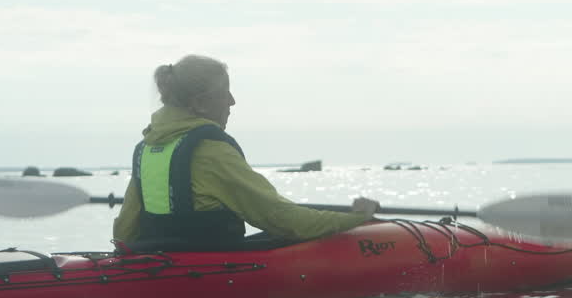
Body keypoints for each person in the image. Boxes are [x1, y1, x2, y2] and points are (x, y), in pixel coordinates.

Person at [113, 54, 380, 251]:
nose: (232, 101)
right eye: (224, 93)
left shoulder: (148, 148)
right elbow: (281, 219)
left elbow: (124, 230)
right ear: (200, 104)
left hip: (163, 264)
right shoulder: (211, 151)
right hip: (210, 273)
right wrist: (355, 219)